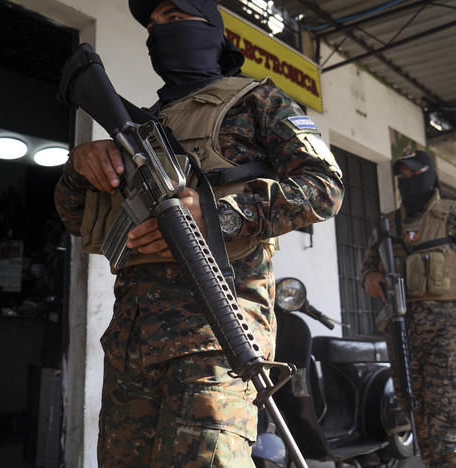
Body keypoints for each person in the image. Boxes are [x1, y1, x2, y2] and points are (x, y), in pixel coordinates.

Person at [54, 1, 344, 466]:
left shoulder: (260, 101)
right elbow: (76, 221)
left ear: (212, 30)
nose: (158, 31)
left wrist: (218, 215)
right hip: (132, 346)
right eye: (151, 25)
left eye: (173, 17)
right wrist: (79, 165)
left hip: (217, 342)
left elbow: (326, 187)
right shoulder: (141, 127)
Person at [361, 150, 456, 468]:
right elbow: (368, 267)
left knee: (447, 424)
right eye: (402, 175)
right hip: (402, 335)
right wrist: (370, 277)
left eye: (415, 172)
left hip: (448, 332)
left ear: (431, 173)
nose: (408, 180)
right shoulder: (388, 224)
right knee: (417, 417)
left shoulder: (455, 215)